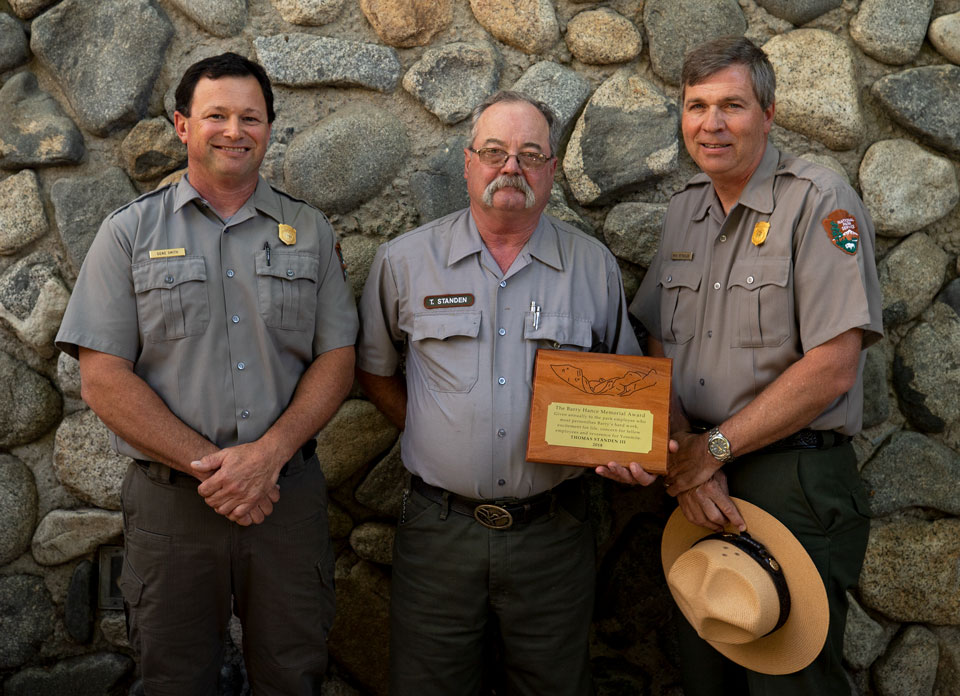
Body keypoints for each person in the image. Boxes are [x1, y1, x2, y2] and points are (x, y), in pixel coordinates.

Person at [55, 52, 358, 696]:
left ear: (270, 128)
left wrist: (268, 457)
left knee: (294, 674)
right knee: (172, 678)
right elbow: (103, 379)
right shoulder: (128, 234)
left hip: (285, 497)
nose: (234, 130)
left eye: (250, 116)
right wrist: (215, 469)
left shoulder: (309, 230)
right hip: (173, 506)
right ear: (182, 126)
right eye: (215, 114)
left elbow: (338, 358)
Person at [356, 90, 651, 696]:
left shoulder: (592, 267)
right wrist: (431, 432)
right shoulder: (404, 263)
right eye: (494, 152)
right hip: (440, 533)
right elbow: (376, 370)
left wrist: (629, 452)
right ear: (468, 163)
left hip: (554, 536)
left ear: (550, 170)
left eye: (529, 153)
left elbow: (627, 390)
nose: (510, 166)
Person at [631, 36, 883, 695]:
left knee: (790, 679)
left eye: (732, 106)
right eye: (696, 106)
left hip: (789, 478)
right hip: (698, 479)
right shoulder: (685, 209)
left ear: (768, 114)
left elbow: (833, 367)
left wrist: (711, 450)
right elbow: (658, 337)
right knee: (707, 667)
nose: (711, 124)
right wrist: (688, 451)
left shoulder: (819, 201)